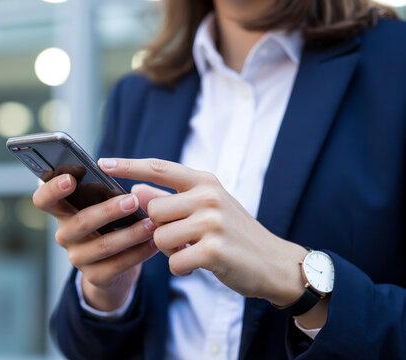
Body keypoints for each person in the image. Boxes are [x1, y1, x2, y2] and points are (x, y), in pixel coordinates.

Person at [34, 0, 406, 358]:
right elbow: (81, 346)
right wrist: (107, 294)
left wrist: (299, 281)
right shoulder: (138, 95)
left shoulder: (394, 64)